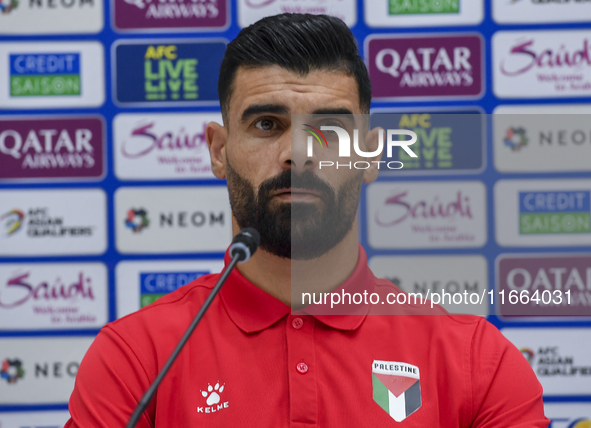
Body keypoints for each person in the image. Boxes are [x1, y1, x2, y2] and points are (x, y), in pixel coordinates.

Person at [65, 14, 549, 427]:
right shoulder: (134, 359)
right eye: (266, 125)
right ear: (218, 151)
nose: (298, 153)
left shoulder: (475, 361)